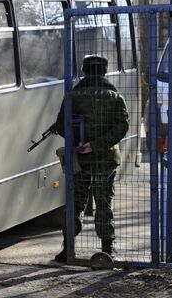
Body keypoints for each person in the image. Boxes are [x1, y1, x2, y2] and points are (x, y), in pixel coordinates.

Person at [54, 55, 129, 263]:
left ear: (85, 71)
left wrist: (82, 142)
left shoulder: (73, 96)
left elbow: (61, 126)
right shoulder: (115, 95)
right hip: (106, 160)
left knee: (75, 203)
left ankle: (67, 250)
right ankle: (107, 249)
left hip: (80, 161)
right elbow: (122, 127)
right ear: (104, 71)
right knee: (104, 203)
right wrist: (96, 145)